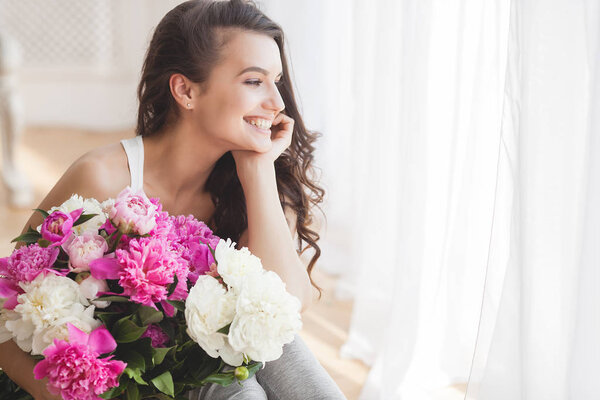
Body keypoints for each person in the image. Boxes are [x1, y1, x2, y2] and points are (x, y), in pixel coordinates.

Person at [0, 0, 346, 399]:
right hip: (115, 385)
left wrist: (258, 170)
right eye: (254, 82)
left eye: (276, 80)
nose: (278, 103)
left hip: (198, 366)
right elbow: (5, 312)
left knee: (286, 361)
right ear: (185, 90)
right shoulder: (104, 177)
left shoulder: (255, 182)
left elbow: (286, 308)